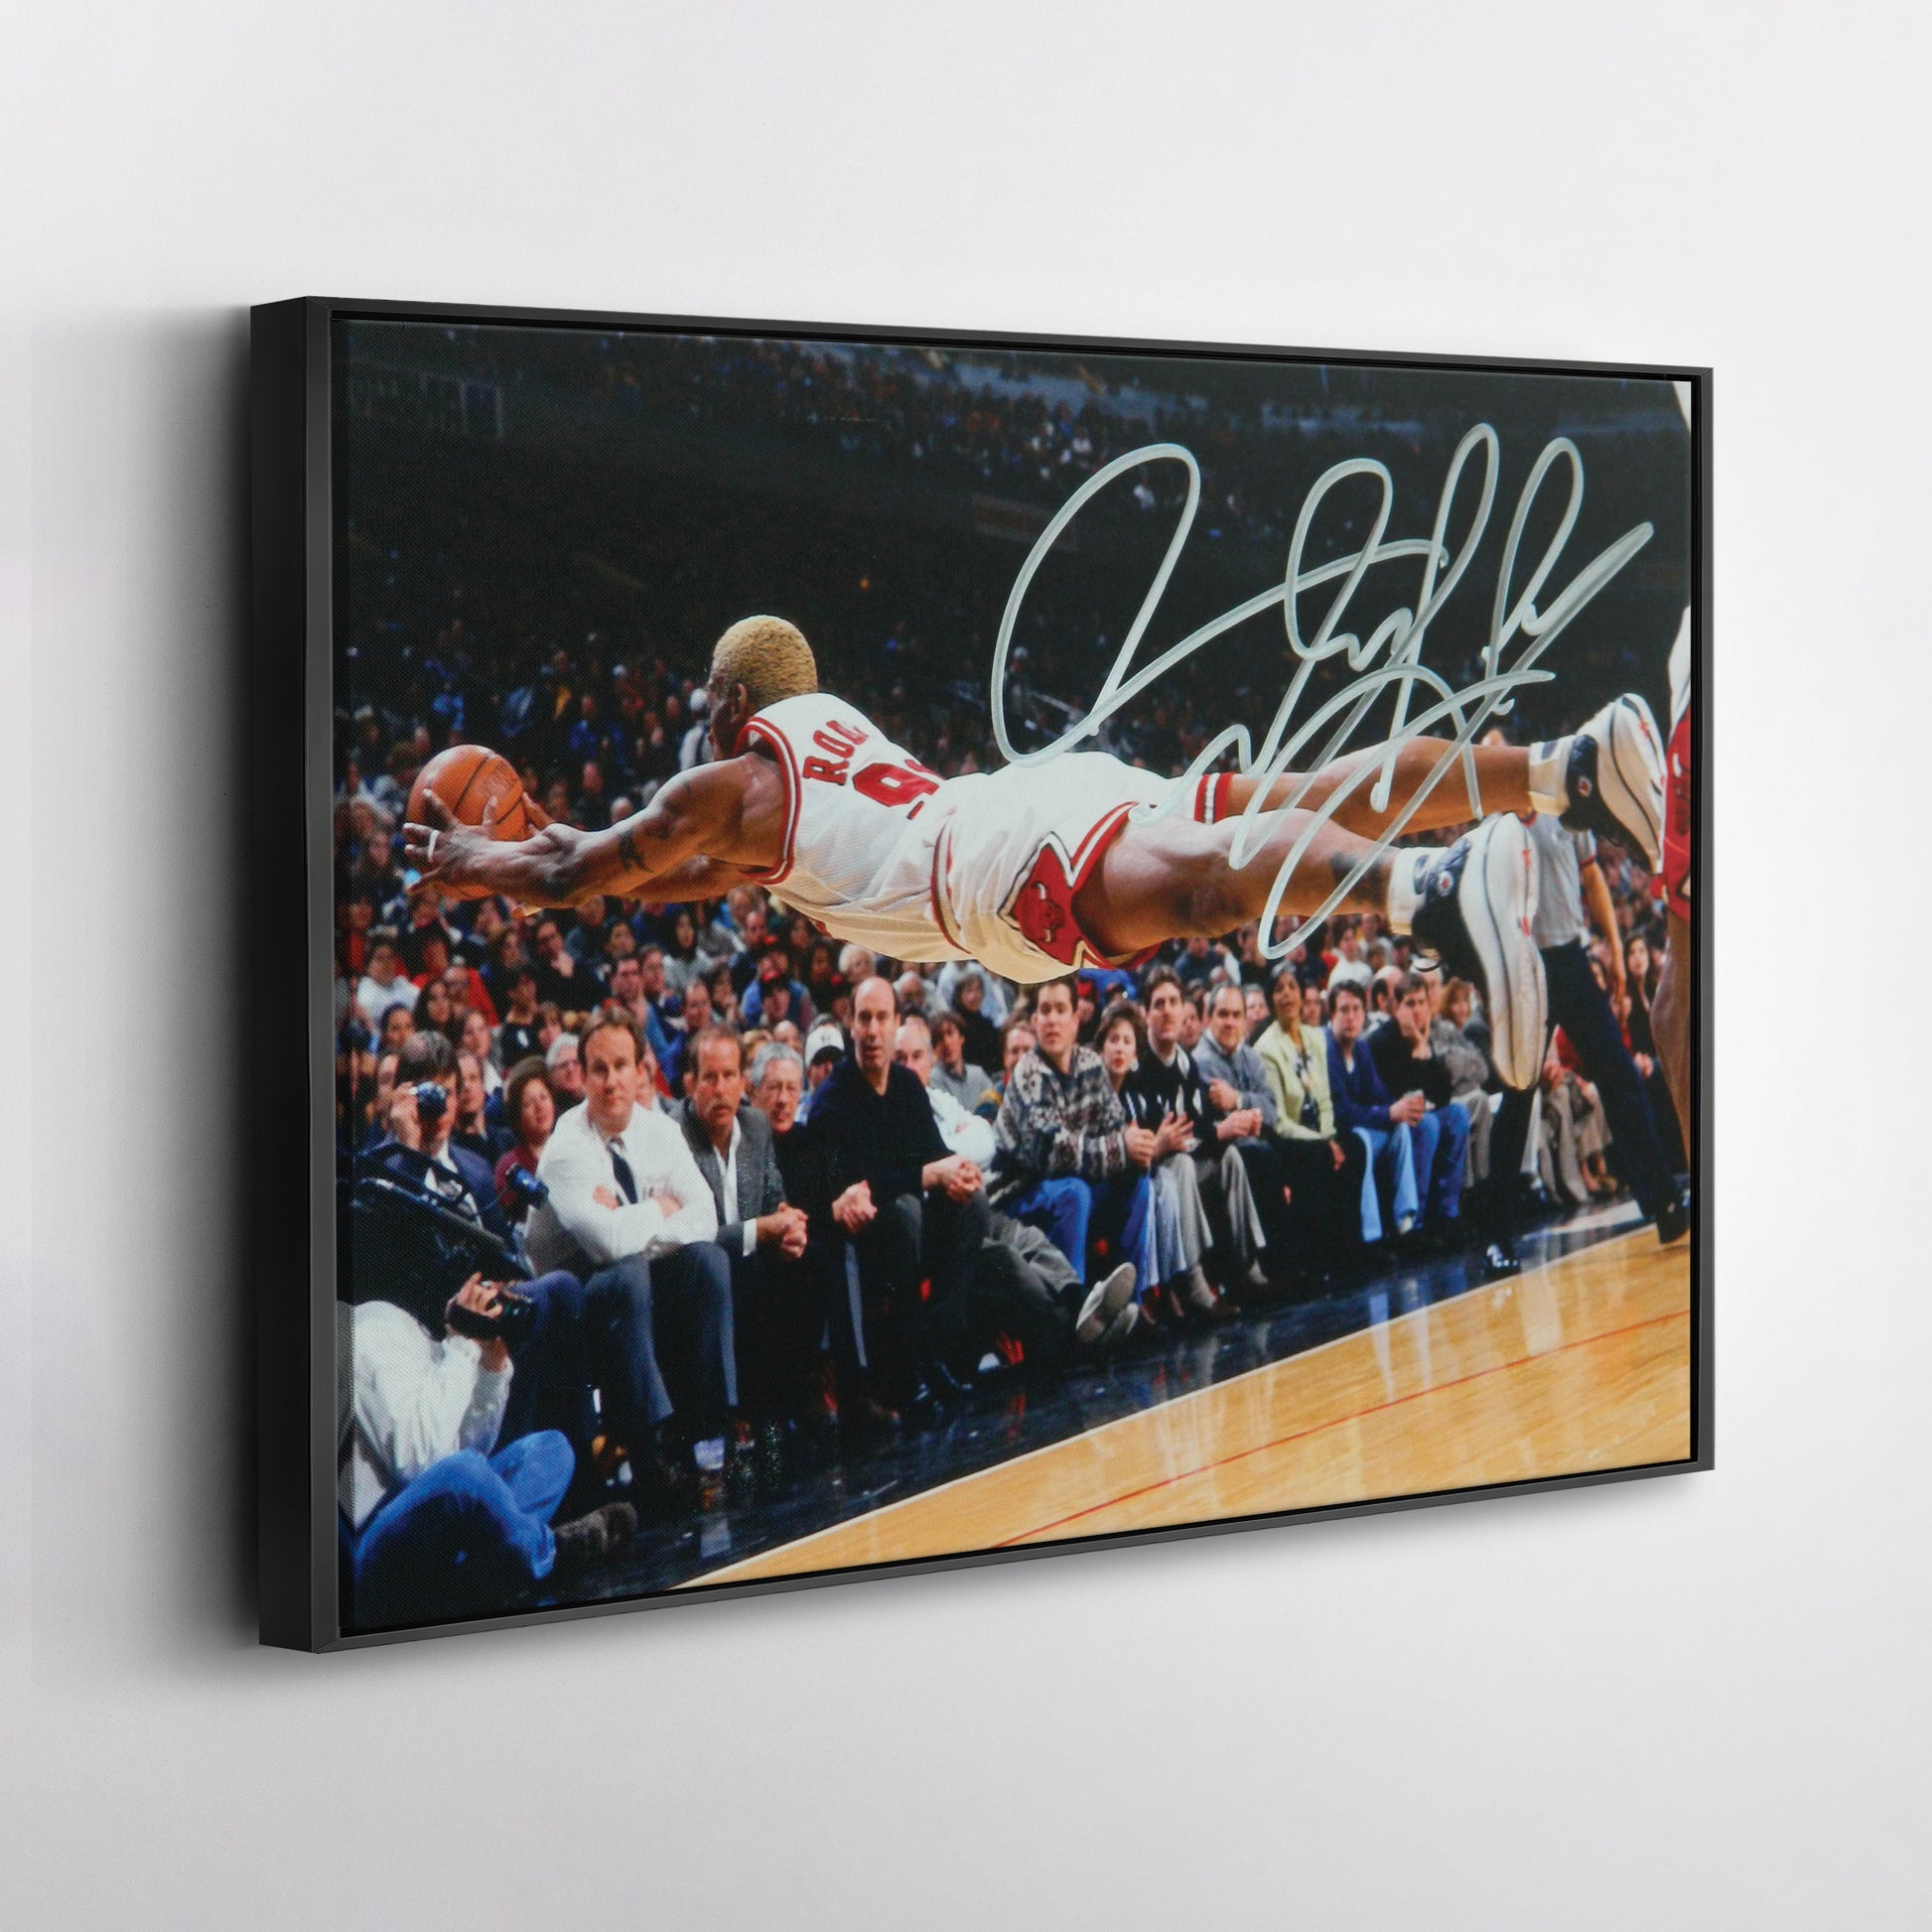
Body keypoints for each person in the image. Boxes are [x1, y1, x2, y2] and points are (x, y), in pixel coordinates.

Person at [411, 617, 1670, 1090]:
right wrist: (536, 841)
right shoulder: (802, 770)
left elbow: (584, 872)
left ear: (732, 701)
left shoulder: (727, 783)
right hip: (1033, 797)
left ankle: (1429, 886)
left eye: (702, 698)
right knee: (1296, 790)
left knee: (1204, 892)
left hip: (985, 863)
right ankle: (1562, 765)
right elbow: (612, 869)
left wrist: (478, 858)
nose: (693, 716)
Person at [525, 1006, 738, 1506]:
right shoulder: (565, 1148)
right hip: (577, 1299)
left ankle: (708, 1435)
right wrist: (660, 1208)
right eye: (599, 1069)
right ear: (582, 1077)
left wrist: (631, 1219)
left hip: (639, 1281)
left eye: (621, 1066)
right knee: (627, 1273)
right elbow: (606, 1246)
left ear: (641, 1070)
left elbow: (705, 1216)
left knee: (709, 1263)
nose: (611, 1081)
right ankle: (650, 1456)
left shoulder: (660, 1131)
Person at [338, 1288, 634, 1629]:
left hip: (427, 1527)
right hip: (369, 1552)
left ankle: (484, 1580)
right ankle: (549, 1553)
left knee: (550, 1449)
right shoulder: (367, 1332)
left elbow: (467, 1447)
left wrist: (490, 1369)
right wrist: (463, 1345)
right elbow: (421, 1461)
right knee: (465, 1474)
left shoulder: (407, 1328)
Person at [800, 978, 990, 1417]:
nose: (872, 1030)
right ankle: (912, 1369)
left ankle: (938, 1348)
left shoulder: (906, 1084)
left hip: (911, 1227)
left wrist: (958, 1172)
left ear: (895, 1024)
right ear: (851, 1025)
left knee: (974, 1205)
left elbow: (934, 1154)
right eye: (864, 1018)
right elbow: (855, 1187)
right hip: (862, 1236)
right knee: (904, 1214)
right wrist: (926, 1175)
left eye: (881, 1018)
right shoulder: (832, 1100)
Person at [899, 1012, 1137, 1361]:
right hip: (944, 1224)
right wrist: (952, 1155)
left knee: (1032, 1240)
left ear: (930, 1060)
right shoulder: (895, 1110)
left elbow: (985, 1141)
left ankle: (1082, 1300)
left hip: (977, 1205)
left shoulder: (938, 1100)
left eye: (916, 1057)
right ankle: (1078, 1336)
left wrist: (948, 1156)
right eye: (900, 1059)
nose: (908, 1067)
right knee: (1011, 1262)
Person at [676, 1027, 819, 1455]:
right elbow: (693, 1235)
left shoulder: (755, 1125)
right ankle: (731, 1422)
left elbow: (775, 1199)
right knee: (727, 1270)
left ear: (743, 1082)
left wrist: (789, 1228)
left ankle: (798, 1404)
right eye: (710, 1077)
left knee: (808, 1258)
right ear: (691, 1083)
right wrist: (765, 1229)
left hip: (750, 1263)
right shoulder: (673, 1137)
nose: (720, 1089)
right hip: (692, 1274)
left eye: (729, 1076)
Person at [990, 976, 1153, 1300]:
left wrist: (1136, 1145)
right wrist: (1123, 1147)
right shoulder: (1029, 1071)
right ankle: (1072, 1307)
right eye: (1045, 1010)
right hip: (1016, 1194)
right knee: (1073, 1192)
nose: (1052, 1019)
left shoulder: (1091, 1064)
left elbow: (1115, 1125)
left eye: (1060, 1010)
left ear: (1076, 1020)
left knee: (1138, 1182)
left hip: (1070, 1185)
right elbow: (1050, 1153)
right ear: (1035, 1020)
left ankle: (1127, 1300)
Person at [1128, 969, 1268, 1301]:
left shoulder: (1185, 1063)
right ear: (1146, 1014)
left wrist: (1225, 1129)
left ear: (1183, 1009)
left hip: (1182, 1162)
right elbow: (1160, 1139)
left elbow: (1197, 1127)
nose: (1167, 1011)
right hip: (1152, 1173)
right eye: (1159, 1004)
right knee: (1182, 1165)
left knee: (1230, 1157)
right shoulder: (1137, 1067)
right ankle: (1193, 1282)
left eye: (1173, 1002)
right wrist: (1207, 1133)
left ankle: (1247, 1265)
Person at [1253, 962, 1369, 1284]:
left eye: (1292, 987)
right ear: (1271, 998)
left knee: (1355, 1146)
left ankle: (1349, 1254)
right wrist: (1323, 1144)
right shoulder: (1266, 1049)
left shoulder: (1316, 1038)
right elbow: (1279, 1120)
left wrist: (1330, 1137)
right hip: (1288, 1138)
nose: (1287, 994)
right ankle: (1319, 1262)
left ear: (1303, 995)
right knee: (1319, 1157)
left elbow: (1325, 1100)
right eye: (1279, 989)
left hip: (1320, 1133)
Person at [1193, 980, 1296, 1258]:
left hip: (1259, 1141)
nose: (1230, 1023)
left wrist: (1238, 1099)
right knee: (1263, 1157)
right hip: (1223, 1152)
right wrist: (1250, 1112)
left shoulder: (1250, 1056)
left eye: (1236, 1015)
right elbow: (1228, 1123)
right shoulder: (1200, 1062)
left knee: (1309, 1153)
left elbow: (1272, 1112)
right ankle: (1273, 1262)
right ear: (1208, 1018)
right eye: (1223, 1014)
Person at [1367, 973, 1471, 1243]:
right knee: (1428, 1124)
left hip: (1420, 1115)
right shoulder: (1381, 1041)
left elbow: (1444, 1095)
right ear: (1396, 1008)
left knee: (1458, 1115)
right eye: (1410, 1003)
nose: (1417, 1010)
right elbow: (1398, 1093)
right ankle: (1418, 1220)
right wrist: (1417, 1052)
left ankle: (1448, 1213)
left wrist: (1422, 1049)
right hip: (1392, 1120)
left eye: (1422, 1002)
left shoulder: (1423, 1036)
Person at [1325, 980, 1424, 1247]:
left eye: (1357, 1009)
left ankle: (1405, 1222)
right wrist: (1387, 1113)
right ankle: (1372, 1236)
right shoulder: (1327, 1049)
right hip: (1340, 1135)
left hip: (1363, 1125)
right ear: (1332, 1014)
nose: (1351, 1017)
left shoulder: (1361, 1048)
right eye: (1344, 1010)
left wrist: (1399, 1109)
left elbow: (1378, 1096)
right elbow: (1341, 1112)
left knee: (1401, 1129)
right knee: (1363, 1140)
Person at [493, 1056, 557, 1214]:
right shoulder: (509, 1167)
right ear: (517, 1117)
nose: (539, 1107)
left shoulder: (573, 1146)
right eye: (528, 1104)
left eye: (543, 1097)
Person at [928, 1011, 999, 1116]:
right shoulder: (933, 1080)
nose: (947, 1043)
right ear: (934, 1047)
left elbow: (994, 1105)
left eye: (950, 1034)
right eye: (940, 1038)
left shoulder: (978, 1075)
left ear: (961, 1038)